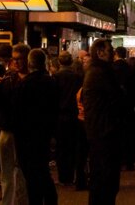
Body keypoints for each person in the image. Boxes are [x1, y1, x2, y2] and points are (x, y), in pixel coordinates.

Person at [82, 38, 124, 205]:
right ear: (100, 52)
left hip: (100, 131)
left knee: (102, 180)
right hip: (105, 132)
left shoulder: (97, 71)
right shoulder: (101, 73)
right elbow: (118, 99)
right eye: (110, 49)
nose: (113, 52)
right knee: (106, 180)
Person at [16, 48, 59, 205]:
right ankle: (50, 200)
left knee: (32, 175)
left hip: (27, 136)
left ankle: (37, 200)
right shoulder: (51, 82)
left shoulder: (25, 84)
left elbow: (18, 112)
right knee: (42, 170)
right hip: (44, 133)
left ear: (29, 63)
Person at [0, 43, 30, 205]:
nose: (16, 63)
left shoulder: (32, 80)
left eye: (20, 59)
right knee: (7, 170)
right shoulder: (8, 79)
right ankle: (7, 201)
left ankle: (19, 201)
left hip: (22, 131)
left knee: (20, 170)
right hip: (7, 128)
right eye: (14, 59)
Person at [53, 51, 82, 186]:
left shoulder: (56, 77)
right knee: (73, 146)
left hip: (60, 115)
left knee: (61, 148)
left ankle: (64, 177)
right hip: (74, 115)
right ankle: (73, 175)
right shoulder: (77, 77)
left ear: (59, 62)